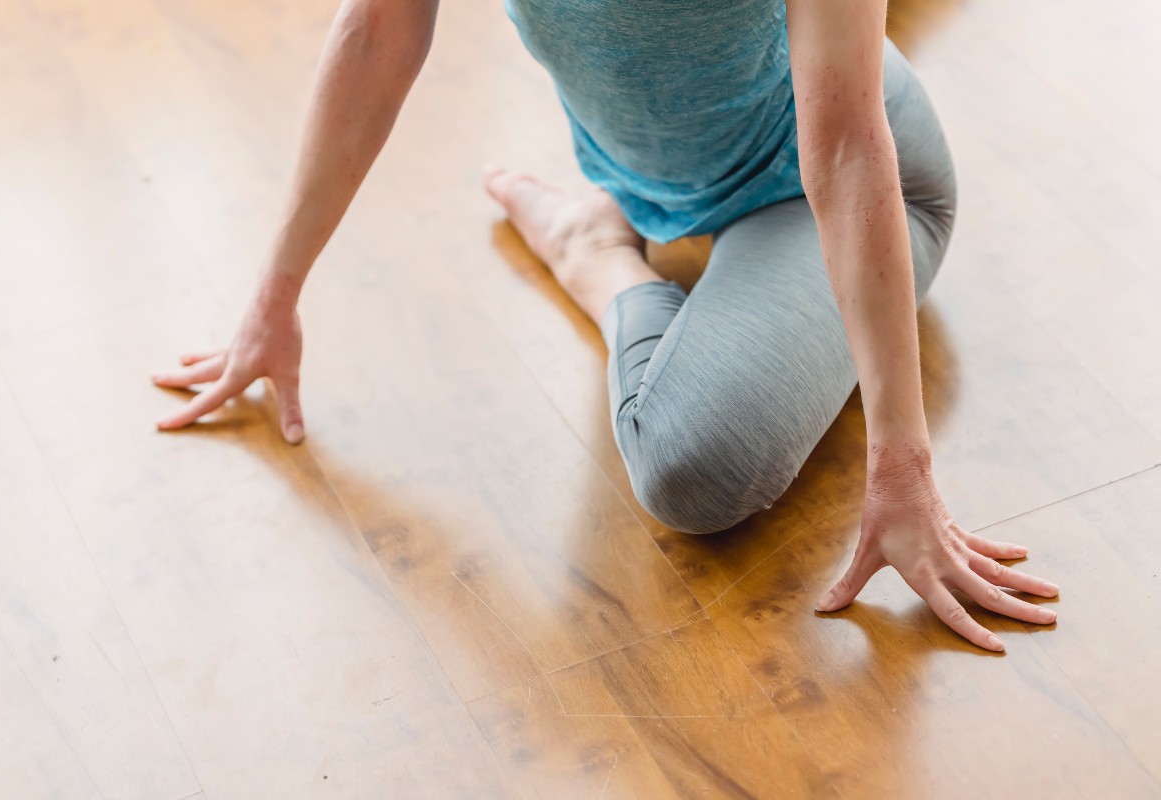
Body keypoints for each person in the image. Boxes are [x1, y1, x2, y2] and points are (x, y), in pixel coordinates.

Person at [150, 0, 1059, 651]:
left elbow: (852, 151)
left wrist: (902, 464)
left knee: (690, 474)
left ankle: (601, 261)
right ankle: (616, 221)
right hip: (656, 175)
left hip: (847, 179)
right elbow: (376, 30)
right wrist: (276, 293)